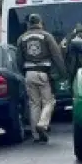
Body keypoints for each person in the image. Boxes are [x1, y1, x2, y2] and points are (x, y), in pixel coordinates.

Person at [16, 13, 67, 143]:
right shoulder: (47, 36)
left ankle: (36, 135)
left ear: (29, 24)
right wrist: (63, 73)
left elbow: (18, 59)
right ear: (40, 23)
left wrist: (22, 73)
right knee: (49, 101)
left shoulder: (21, 38)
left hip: (29, 74)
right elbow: (56, 56)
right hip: (43, 74)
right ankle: (43, 124)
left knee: (34, 104)